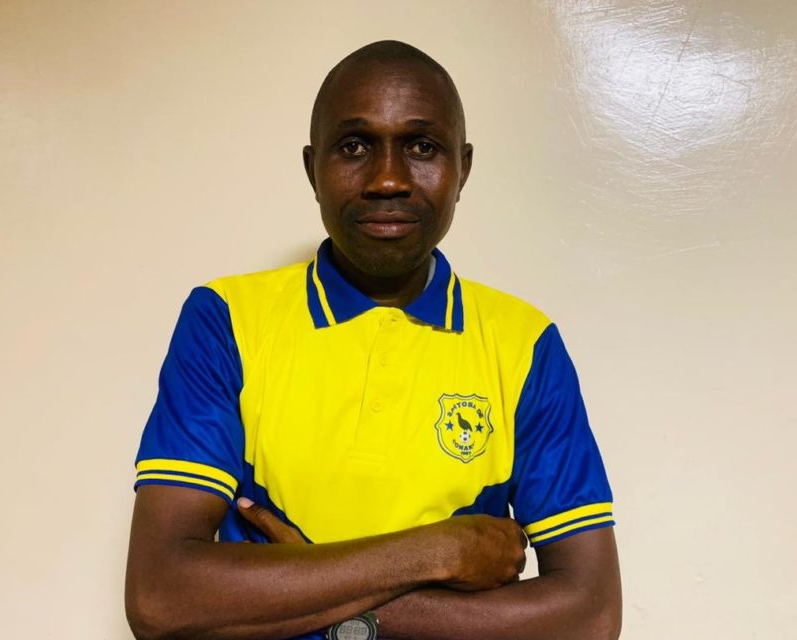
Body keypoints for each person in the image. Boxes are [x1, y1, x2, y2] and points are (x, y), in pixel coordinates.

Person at [125, 40, 622, 640]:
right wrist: (435, 553)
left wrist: (324, 596)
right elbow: (160, 598)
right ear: (312, 168)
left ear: (463, 168)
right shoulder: (225, 319)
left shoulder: (524, 343)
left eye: (422, 147)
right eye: (355, 146)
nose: (388, 179)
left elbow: (591, 615)